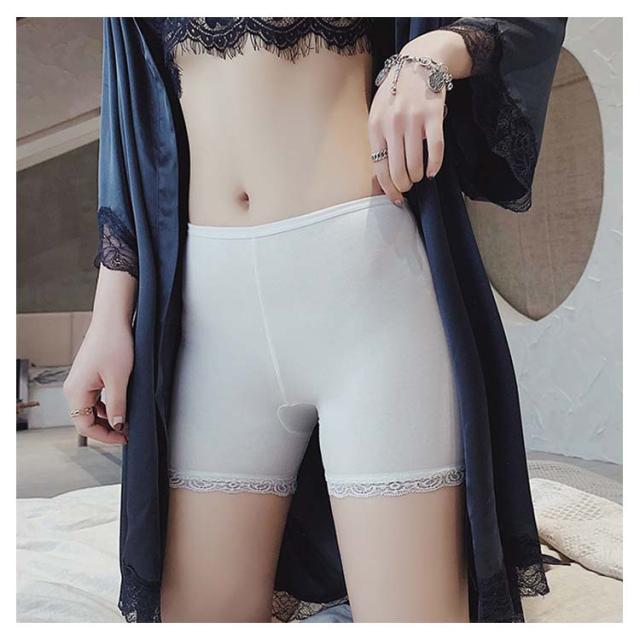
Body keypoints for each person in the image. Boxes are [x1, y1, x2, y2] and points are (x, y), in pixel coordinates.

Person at [63, 17, 567, 623]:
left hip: (372, 298)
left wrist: (435, 51)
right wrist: (109, 316)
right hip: (211, 318)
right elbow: (131, 120)